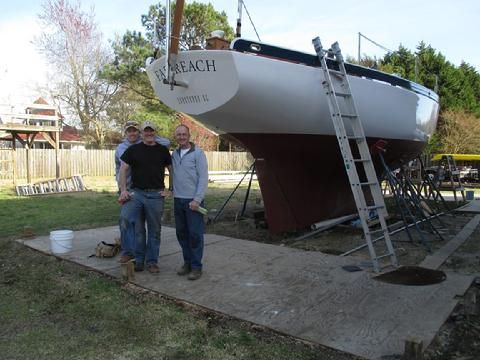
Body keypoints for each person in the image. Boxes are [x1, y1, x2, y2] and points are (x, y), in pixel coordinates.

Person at [114, 121, 170, 272]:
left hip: (156, 195)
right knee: (130, 222)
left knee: (155, 230)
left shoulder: (162, 150)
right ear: (142, 133)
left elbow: (172, 169)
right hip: (136, 193)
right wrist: (123, 189)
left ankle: (152, 262)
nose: (149, 133)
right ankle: (137, 259)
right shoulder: (132, 149)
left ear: (155, 133)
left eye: (151, 131)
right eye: (146, 131)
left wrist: (171, 189)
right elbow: (123, 169)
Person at [172, 124, 208, 280]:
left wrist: (197, 199)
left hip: (193, 202)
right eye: (178, 134)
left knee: (195, 235)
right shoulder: (174, 154)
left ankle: (196, 267)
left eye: (183, 134)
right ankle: (187, 262)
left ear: (189, 135)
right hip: (178, 200)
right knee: (182, 234)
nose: (181, 137)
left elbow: (203, 178)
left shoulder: (198, 154)